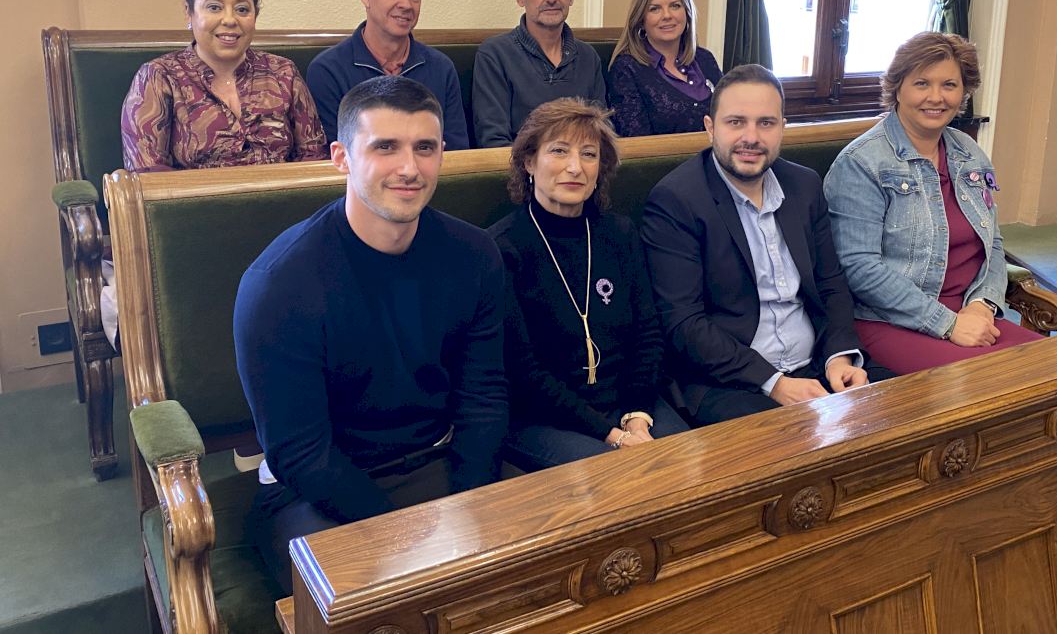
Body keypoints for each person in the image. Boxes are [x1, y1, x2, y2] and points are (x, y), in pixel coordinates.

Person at [234, 76, 507, 595]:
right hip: (318, 491)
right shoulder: (278, 283)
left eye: (424, 148)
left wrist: (469, 509)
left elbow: (484, 397)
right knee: (387, 604)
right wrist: (407, 537)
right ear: (341, 157)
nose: (409, 168)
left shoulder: (474, 254)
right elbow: (300, 454)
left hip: (439, 461)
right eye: (385, 147)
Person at [641, 64, 893, 426]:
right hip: (728, 382)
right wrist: (774, 383)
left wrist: (840, 355)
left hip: (817, 365)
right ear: (710, 127)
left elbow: (831, 284)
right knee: (798, 442)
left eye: (766, 123)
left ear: (782, 128)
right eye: (736, 122)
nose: (751, 137)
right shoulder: (676, 200)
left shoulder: (804, 186)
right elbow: (684, 323)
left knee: (903, 411)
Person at [822, 32, 1042, 374]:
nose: (936, 97)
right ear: (898, 88)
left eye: (949, 85)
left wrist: (983, 304)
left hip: (969, 313)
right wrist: (948, 324)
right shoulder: (861, 163)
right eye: (922, 83)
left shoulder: (970, 153)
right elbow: (858, 268)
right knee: (995, 380)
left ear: (963, 92)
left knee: (1056, 367)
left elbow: (993, 244)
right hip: (888, 320)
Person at [488, 99, 689, 469]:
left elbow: (647, 335)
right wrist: (613, 436)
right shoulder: (502, 248)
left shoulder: (619, 233)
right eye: (559, 151)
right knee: (619, 476)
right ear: (529, 162)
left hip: (627, 402)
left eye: (589, 154)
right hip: (541, 417)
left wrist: (637, 416)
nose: (575, 167)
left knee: (688, 464)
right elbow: (523, 371)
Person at [120, 0, 327, 172]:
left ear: (255, 16)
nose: (229, 20)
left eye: (242, 9)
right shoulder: (159, 77)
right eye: (214, 7)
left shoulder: (283, 72)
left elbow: (313, 158)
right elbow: (148, 175)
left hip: (284, 193)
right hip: (193, 195)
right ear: (189, 12)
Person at [306, 0, 469, 150]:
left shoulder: (441, 67)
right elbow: (334, 156)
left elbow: (456, 151)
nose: (406, 4)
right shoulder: (328, 70)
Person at [472, 0, 607, 146]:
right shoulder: (495, 55)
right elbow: (493, 143)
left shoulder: (588, 57)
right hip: (519, 167)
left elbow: (601, 136)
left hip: (580, 165)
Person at [607, 0, 723, 137]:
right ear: (641, 19)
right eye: (655, 9)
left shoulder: (705, 59)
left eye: (675, 6)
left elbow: (733, 115)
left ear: (687, 12)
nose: (667, 15)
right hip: (662, 155)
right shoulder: (626, 69)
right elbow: (636, 143)